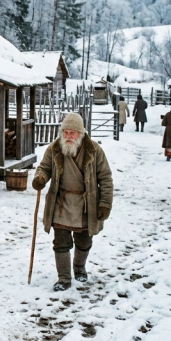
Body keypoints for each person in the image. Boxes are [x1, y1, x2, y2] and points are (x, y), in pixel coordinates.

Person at [32, 113, 113, 291]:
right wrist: (41, 177)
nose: (68, 136)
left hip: (86, 204)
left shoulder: (94, 151)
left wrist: (105, 204)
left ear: (81, 133)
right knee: (60, 242)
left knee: (84, 242)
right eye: (65, 132)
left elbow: (105, 178)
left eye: (72, 133)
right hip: (60, 203)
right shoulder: (55, 148)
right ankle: (64, 278)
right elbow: (44, 167)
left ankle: (79, 268)